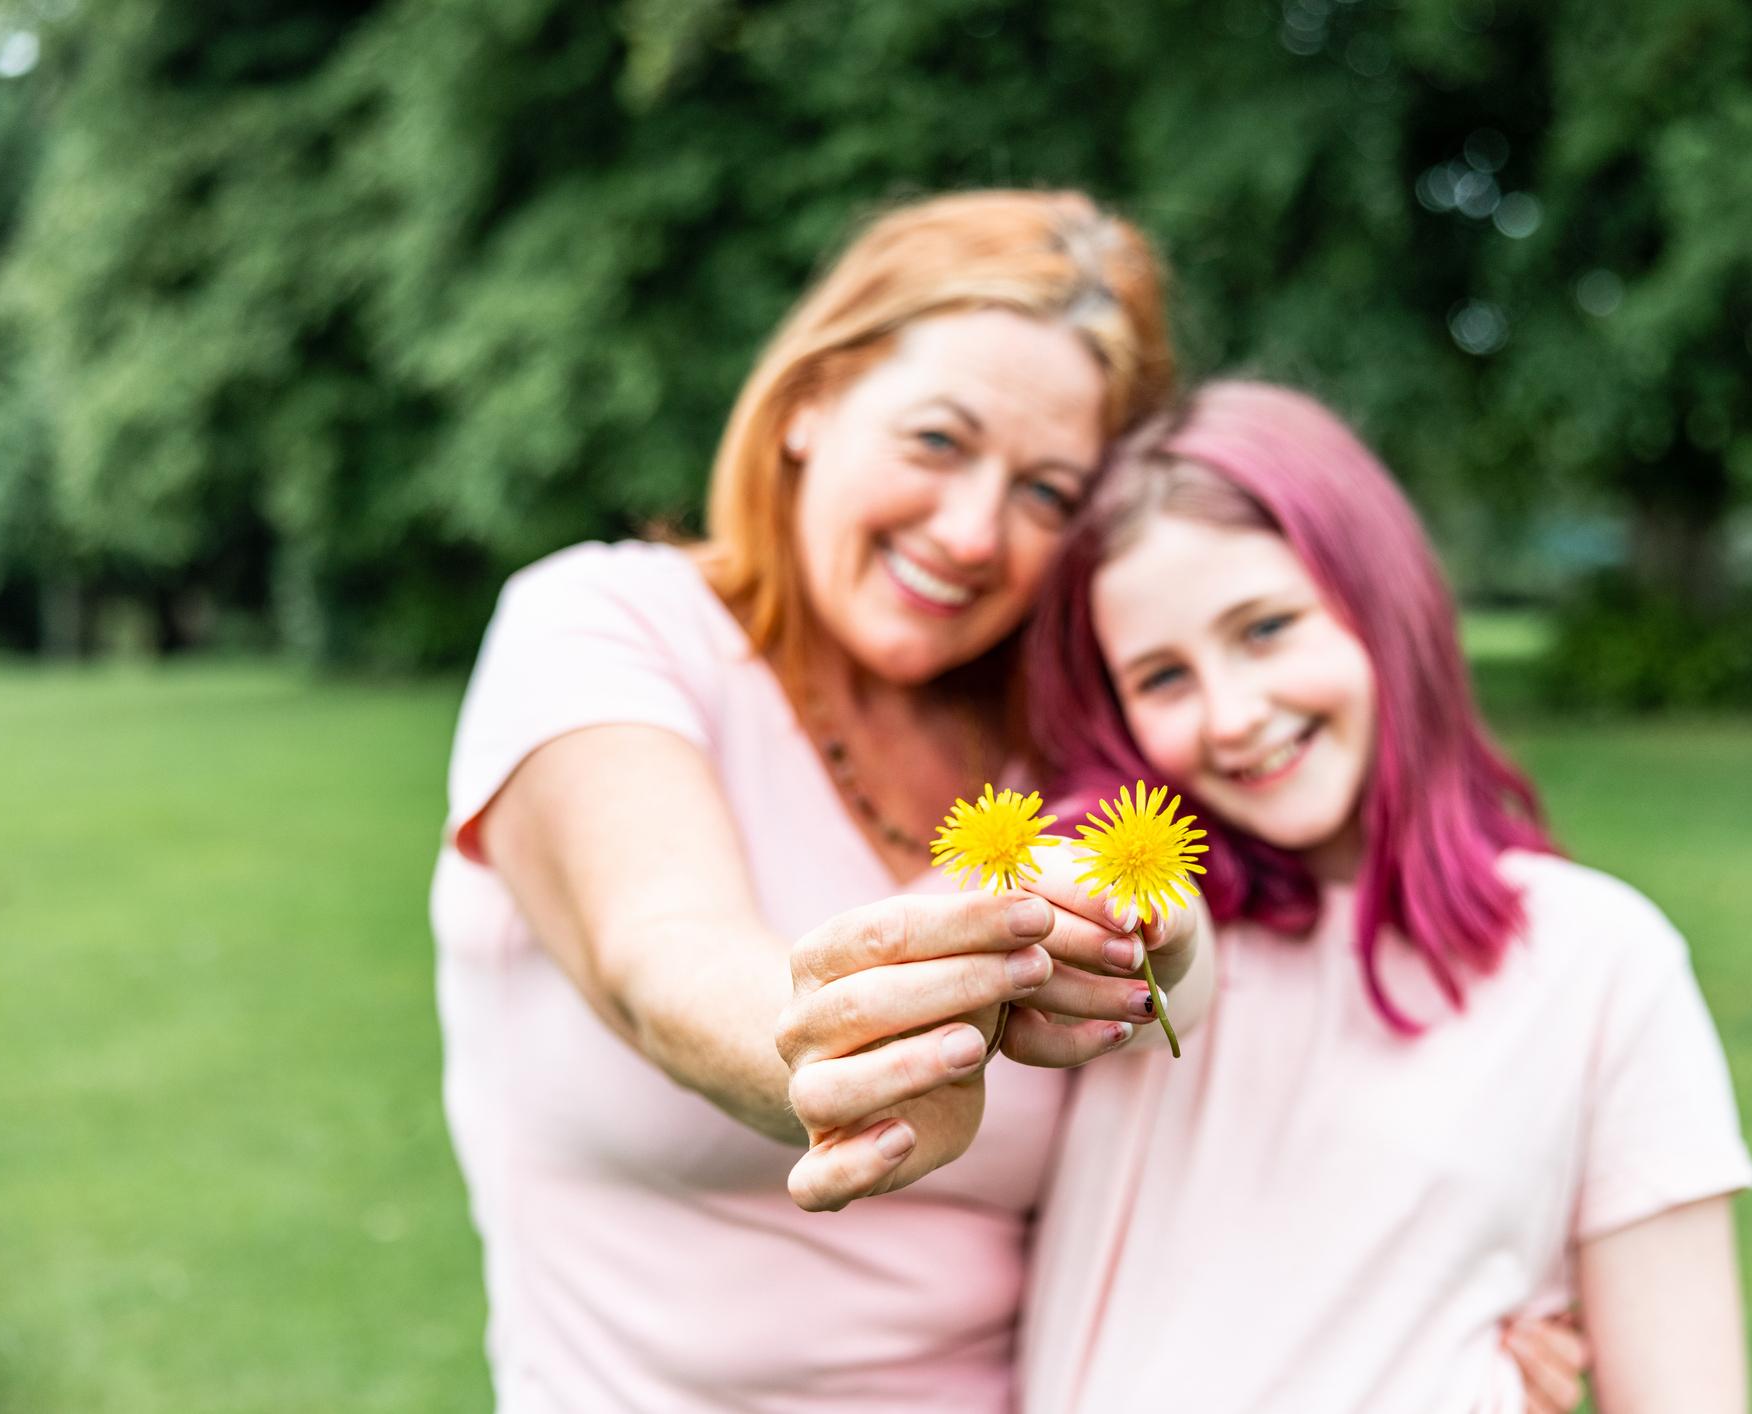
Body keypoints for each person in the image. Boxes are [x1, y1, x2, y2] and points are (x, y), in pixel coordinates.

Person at [430, 189, 1193, 1412]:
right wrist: (845, 1049)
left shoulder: (1064, 756)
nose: (970, 530)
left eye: (1045, 494)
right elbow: (658, 955)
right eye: (937, 442)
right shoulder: (601, 627)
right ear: (808, 405)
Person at [1013, 381, 1752, 1413]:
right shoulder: (1136, 919)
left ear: (1381, 601)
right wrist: (1124, 909)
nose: (1231, 715)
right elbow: (1148, 967)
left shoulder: (1599, 962)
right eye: (1162, 678)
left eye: (1266, 627)